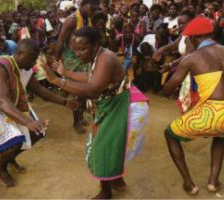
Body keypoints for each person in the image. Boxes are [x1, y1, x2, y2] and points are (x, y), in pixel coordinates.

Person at [42, 27, 148, 199]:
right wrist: (65, 73)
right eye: (75, 49)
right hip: (113, 104)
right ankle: (117, 181)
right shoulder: (96, 56)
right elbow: (92, 77)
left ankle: (106, 193)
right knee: (109, 143)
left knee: (103, 147)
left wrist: (57, 81)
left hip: (126, 105)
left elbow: (93, 89)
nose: (78, 53)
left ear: (96, 45)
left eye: (82, 49)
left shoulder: (106, 58)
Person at [0, 39, 77, 187]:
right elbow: (1, 100)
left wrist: (65, 103)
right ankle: (1, 168)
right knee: (16, 140)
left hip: (11, 105)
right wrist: (28, 122)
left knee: (37, 133)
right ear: (20, 54)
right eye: (32, 59)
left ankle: (9, 158)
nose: (34, 64)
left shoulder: (26, 69)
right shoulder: (0, 67)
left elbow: (41, 91)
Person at [163, 17, 224, 195]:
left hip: (212, 114)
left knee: (170, 134)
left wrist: (166, 85)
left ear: (194, 39)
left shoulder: (192, 58)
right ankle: (213, 182)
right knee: (220, 136)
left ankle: (189, 184)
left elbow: (169, 88)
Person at [54, 0, 100, 134]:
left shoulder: (88, 18)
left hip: (84, 58)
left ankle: (79, 118)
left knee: (85, 90)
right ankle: (76, 122)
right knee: (76, 92)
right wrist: (56, 60)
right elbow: (61, 40)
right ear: (84, 4)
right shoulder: (72, 19)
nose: (94, 11)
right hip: (72, 59)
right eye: (92, 7)